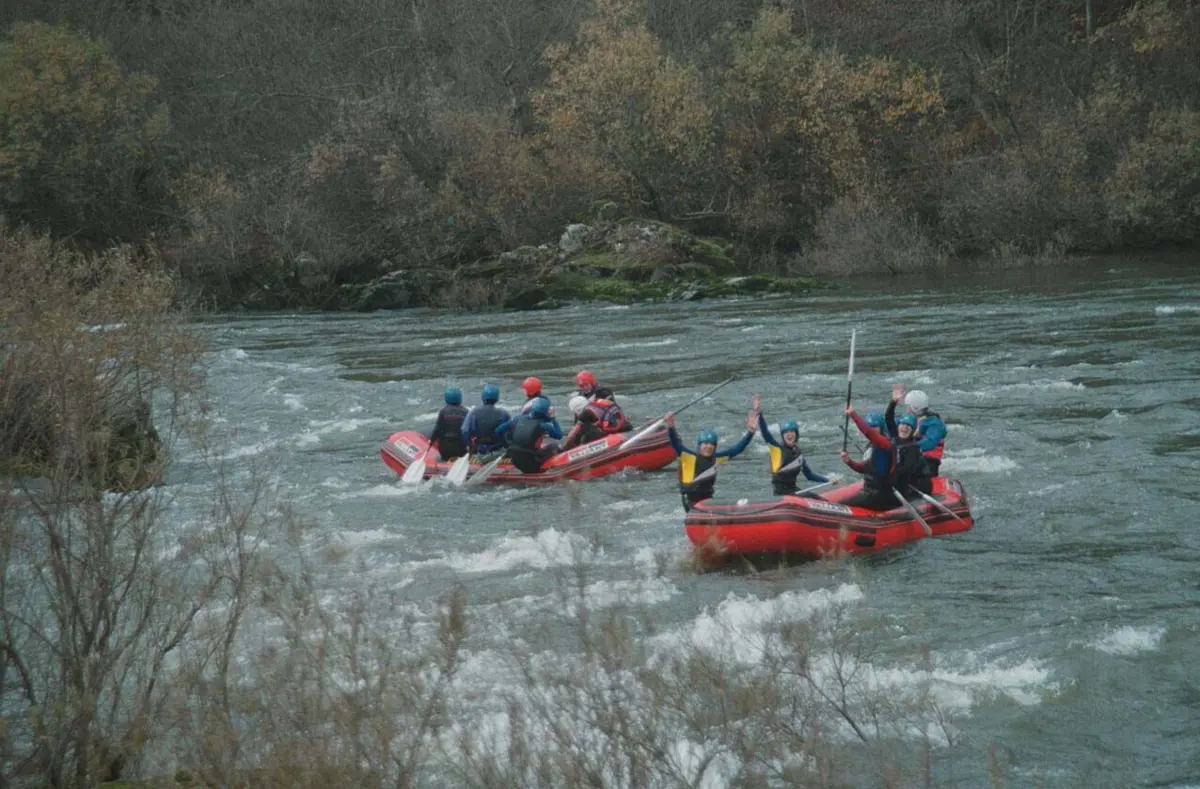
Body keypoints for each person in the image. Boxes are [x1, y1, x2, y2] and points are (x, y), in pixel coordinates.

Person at [666, 404, 756, 512]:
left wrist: (751, 432)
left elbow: (737, 449)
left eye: (711, 444)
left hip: (707, 500)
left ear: (715, 446)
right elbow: (676, 443)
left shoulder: (717, 458)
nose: (708, 446)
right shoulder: (688, 456)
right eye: (705, 443)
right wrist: (671, 427)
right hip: (690, 501)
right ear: (699, 445)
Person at [755, 395, 837, 496]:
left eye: (792, 431)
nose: (789, 434)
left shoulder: (798, 454)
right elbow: (766, 434)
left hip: (794, 490)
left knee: (816, 497)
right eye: (786, 432)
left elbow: (810, 475)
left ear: (796, 434)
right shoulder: (777, 450)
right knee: (811, 496)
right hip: (781, 494)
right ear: (782, 436)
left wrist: (828, 480)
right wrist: (760, 415)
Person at [495, 396, 563, 473]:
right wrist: (553, 418)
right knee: (555, 446)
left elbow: (498, 431)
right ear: (547, 411)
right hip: (531, 463)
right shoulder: (544, 426)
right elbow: (559, 435)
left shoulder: (517, 419)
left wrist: (507, 445)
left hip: (513, 458)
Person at [903, 388, 947, 475]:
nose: (906, 410)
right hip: (913, 458)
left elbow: (930, 443)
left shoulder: (935, 424)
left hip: (929, 463)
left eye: (908, 407)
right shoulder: (910, 420)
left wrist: (908, 447)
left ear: (914, 408)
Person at [460, 384, 511, 457]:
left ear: (483, 397)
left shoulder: (474, 412)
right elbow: (510, 433)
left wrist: (471, 445)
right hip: (498, 450)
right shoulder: (504, 413)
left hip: (480, 451)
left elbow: (465, 431)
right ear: (497, 398)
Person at [430, 387, 469, 460]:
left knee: (440, 457)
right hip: (460, 448)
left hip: (445, 448)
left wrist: (431, 442)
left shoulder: (443, 411)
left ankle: (442, 462)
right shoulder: (466, 412)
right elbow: (468, 431)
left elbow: (437, 429)